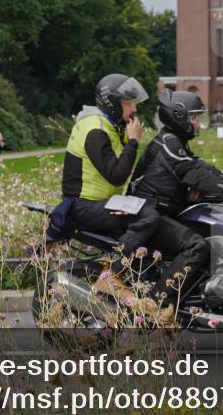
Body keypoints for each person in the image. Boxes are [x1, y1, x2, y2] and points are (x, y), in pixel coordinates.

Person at [56, 73, 170, 324]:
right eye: (129, 103)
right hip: (83, 206)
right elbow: (117, 175)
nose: (135, 108)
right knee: (148, 216)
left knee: (155, 210)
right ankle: (113, 275)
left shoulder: (109, 125)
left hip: (102, 203)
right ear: (112, 103)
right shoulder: (95, 130)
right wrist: (133, 141)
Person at [129, 89, 223, 307]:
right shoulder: (169, 143)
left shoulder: (175, 142)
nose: (198, 123)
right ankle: (157, 305)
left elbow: (202, 167)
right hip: (148, 213)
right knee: (197, 247)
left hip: (159, 211)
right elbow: (193, 174)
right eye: (194, 117)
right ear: (178, 116)